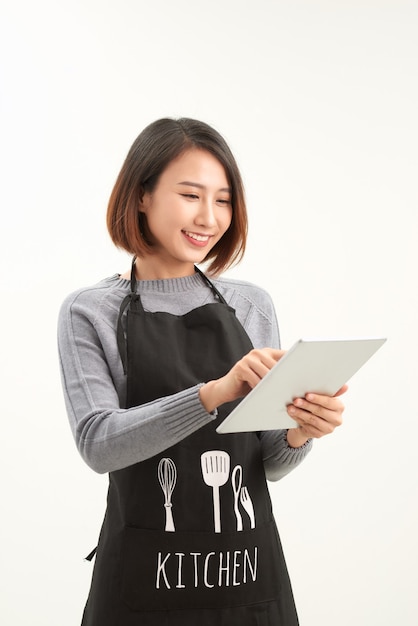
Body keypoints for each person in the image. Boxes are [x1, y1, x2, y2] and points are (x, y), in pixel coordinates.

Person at [58, 117, 346, 626]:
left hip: (248, 582)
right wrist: (213, 393)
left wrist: (300, 433)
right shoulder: (90, 310)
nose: (209, 218)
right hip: (143, 586)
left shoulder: (251, 305)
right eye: (191, 195)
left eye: (224, 200)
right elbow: (99, 444)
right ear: (141, 195)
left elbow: (267, 464)